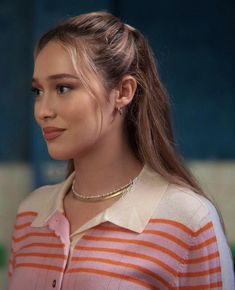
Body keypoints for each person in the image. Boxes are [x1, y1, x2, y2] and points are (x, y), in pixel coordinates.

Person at [8, 11, 234, 290]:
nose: (42, 111)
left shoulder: (188, 220)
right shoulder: (30, 215)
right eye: (38, 91)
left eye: (64, 88)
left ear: (124, 92)